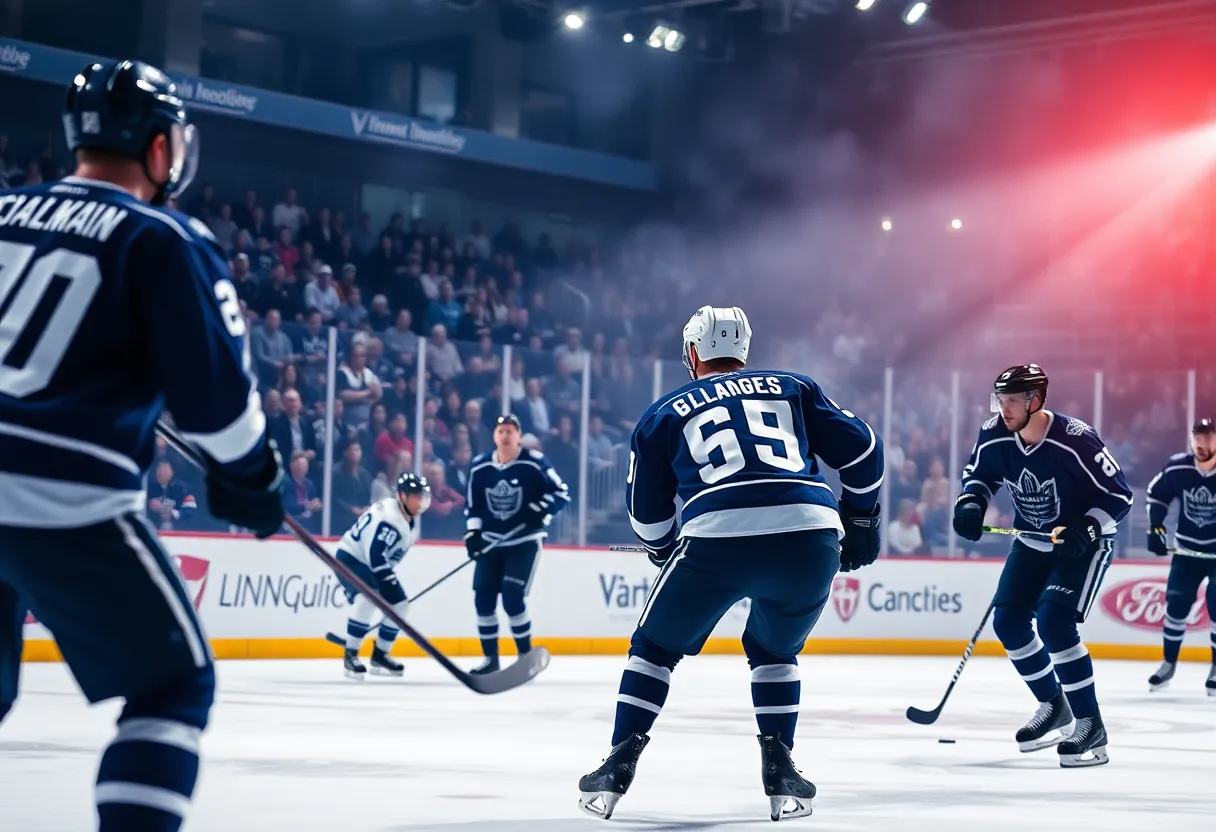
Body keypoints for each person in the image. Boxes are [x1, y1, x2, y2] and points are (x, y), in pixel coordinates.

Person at [0, 61, 285, 832]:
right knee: (173, 684)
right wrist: (253, 475)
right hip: (59, 492)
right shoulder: (161, 238)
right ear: (161, 150)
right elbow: (218, 408)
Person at [577, 306, 883, 822]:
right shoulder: (792, 385)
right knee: (773, 651)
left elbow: (646, 514)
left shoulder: (664, 410)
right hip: (810, 533)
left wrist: (661, 547)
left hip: (718, 537)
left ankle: (617, 765)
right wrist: (862, 518)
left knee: (653, 648)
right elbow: (863, 451)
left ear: (693, 352)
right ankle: (781, 770)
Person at [952, 364, 1133, 768]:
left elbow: (1120, 496)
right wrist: (971, 502)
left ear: (1036, 400)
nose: (1004, 408)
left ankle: (1091, 724)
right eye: (1000, 399)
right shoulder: (994, 431)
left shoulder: (1075, 440)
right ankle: (1055, 706)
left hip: (1082, 546)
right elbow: (979, 475)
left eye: (1013, 400)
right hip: (1032, 541)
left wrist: (1087, 528)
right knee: (1009, 623)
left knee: (1054, 622)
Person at [464, 414, 570, 675]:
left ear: (519, 435)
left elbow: (561, 493)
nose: (506, 435)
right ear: (494, 435)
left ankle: (525, 656)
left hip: (523, 542)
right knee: (483, 600)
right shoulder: (480, 467)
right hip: (490, 543)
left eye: (510, 430)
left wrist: (541, 510)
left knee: (513, 598)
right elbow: (473, 506)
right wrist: (473, 536)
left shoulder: (534, 463)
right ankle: (491, 659)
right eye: (501, 430)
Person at [1144, 418, 1216, 695]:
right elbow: (1156, 494)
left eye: (1208, 438)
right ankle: (1168, 663)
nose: (1202, 444)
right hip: (1187, 550)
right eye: (1198, 437)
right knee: (1175, 606)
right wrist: (1155, 528)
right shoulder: (1178, 466)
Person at [333, 473, 430, 679]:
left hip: (368, 563)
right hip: (350, 559)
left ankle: (380, 655)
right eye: (416, 496)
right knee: (368, 598)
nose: (421, 501)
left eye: (422, 496)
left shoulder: (401, 515)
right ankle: (350, 655)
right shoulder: (392, 520)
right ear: (403, 497)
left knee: (401, 605)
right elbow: (375, 555)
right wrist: (387, 580)